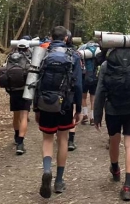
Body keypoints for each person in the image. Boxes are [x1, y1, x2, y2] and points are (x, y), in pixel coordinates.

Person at [33, 26, 83, 198]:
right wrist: (78, 109)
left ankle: (47, 170)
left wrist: (36, 107)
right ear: (66, 38)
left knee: (47, 139)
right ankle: (59, 181)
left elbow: (34, 82)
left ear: (51, 37)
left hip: (45, 103)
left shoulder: (42, 53)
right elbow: (77, 86)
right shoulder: (73, 56)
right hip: (65, 105)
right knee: (63, 139)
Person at [94, 46, 130, 201]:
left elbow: (100, 90)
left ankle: (115, 169)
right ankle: (127, 186)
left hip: (112, 109)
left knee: (114, 142)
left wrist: (97, 115)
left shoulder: (107, 64)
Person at [4, 41, 32, 155]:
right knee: (24, 115)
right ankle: (20, 143)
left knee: (16, 115)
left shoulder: (10, 58)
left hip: (13, 91)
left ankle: (16, 136)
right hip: (25, 90)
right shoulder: (28, 59)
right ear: (27, 48)